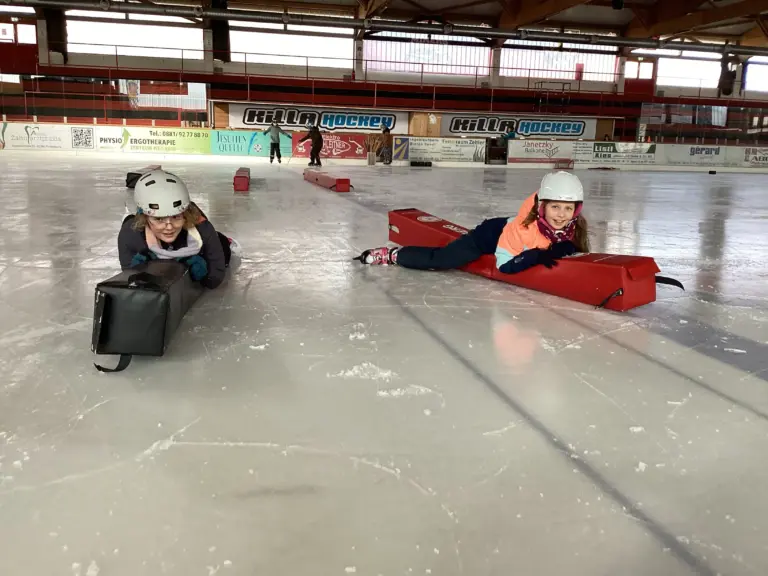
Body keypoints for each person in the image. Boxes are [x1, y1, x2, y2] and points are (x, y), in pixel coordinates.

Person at [355, 171, 589, 273]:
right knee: (442, 259)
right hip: (486, 238)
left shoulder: (572, 227)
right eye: (555, 207)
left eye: (568, 208)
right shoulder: (521, 230)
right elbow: (505, 266)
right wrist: (535, 255)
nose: (561, 215)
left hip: (505, 233)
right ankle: (393, 255)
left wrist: (564, 248)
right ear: (542, 207)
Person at [118, 169, 240, 289]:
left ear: (185, 215)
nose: (169, 227)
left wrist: (204, 273)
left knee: (221, 244)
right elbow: (131, 281)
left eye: (176, 217)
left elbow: (215, 279)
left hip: (213, 242)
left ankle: (226, 241)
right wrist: (140, 270)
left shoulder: (203, 229)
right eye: (159, 219)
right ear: (144, 217)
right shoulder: (130, 234)